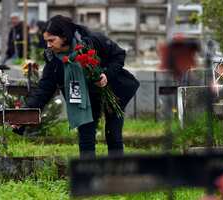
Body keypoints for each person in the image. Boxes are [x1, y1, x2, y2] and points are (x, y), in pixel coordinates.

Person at [22, 15, 139, 158]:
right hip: (83, 100)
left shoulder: (92, 41)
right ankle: (88, 176)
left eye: (52, 40)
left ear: (64, 36)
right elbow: (43, 90)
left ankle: (117, 172)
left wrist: (106, 74)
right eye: (46, 41)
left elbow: (119, 55)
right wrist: (22, 116)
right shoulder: (53, 60)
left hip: (112, 91)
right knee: (86, 139)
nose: (48, 45)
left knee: (113, 134)